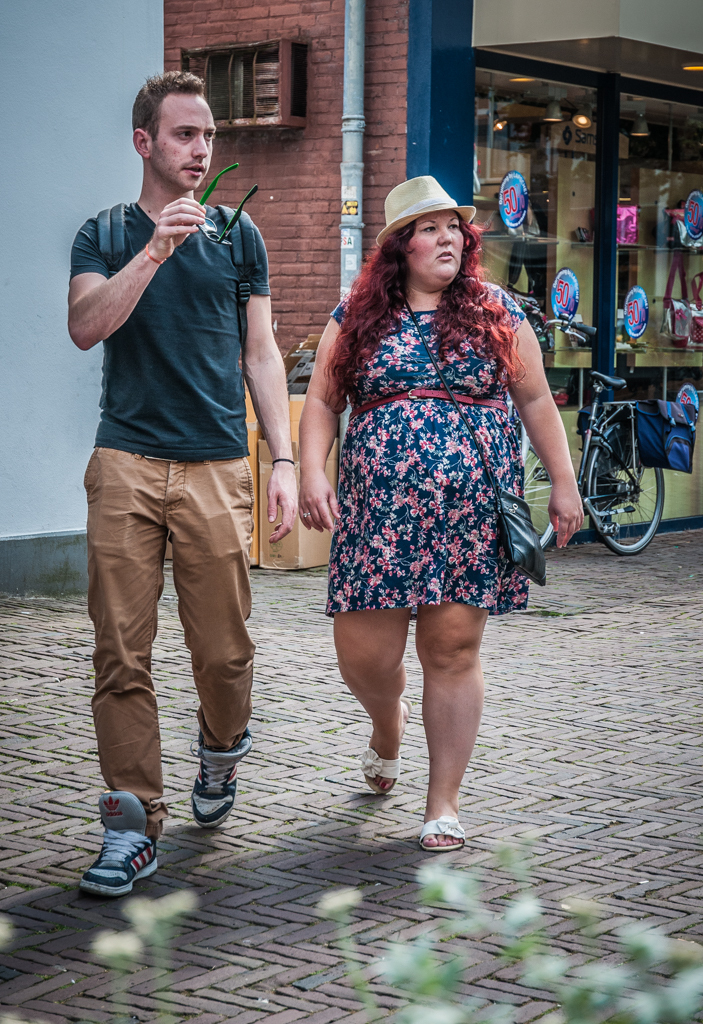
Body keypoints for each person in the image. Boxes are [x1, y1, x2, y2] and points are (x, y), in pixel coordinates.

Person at [298, 176, 582, 851]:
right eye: (429, 228)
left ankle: (441, 805)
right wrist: (311, 470)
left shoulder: (496, 311)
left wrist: (564, 483)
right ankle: (385, 724)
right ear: (400, 247)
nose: (446, 237)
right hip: (376, 517)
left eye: (453, 226)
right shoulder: (355, 315)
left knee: (452, 649)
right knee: (364, 657)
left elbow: (536, 402)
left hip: (469, 516)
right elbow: (320, 403)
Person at [68, 72, 297, 896]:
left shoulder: (241, 238)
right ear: (144, 143)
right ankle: (132, 823)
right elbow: (86, 327)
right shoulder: (102, 234)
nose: (201, 150)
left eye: (208, 136)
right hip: (125, 464)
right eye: (183, 135)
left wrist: (285, 460)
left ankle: (220, 749)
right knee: (119, 652)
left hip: (215, 466)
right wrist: (155, 249)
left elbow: (260, 354)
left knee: (223, 652)